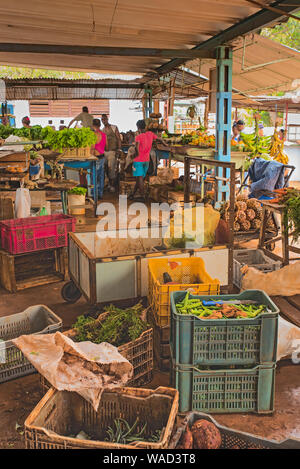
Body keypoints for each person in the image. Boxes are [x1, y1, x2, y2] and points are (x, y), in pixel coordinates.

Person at [129, 119, 167, 201]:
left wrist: (133, 156)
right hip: (146, 160)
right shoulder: (150, 134)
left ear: (138, 128)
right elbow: (159, 139)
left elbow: (137, 150)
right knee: (140, 179)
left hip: (139, 160)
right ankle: (132, 194)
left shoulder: (138, 137)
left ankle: (143, 196)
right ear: (145, 127)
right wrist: (165, 144)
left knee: (140, 179)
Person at [101, 114, 122, 192]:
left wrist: (119, 149)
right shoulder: (102, 130)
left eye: (105, 119)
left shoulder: (114, 127)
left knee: (111, 168)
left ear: (107, 119)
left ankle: (112, 185)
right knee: (106, 168)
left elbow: (118, 139)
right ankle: (109, 184)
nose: (104, 121)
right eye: (102, 120)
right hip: (104, 152)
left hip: (112, 151)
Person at [91, 119, 107, 200]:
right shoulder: (104, 135)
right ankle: (100, 194)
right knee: (101, 176)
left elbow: (92, 147)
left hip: (96, 157)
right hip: (102, 156)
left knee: (94, 176)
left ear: (93, 125)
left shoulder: (94, 135)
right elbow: (106, 145)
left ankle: (94, 195)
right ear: (100, 125)